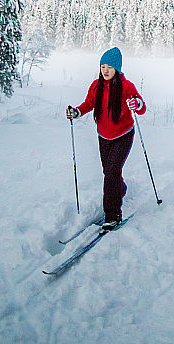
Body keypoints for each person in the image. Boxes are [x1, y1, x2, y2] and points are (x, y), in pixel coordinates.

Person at [66, 47, 146, 231]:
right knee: (109, 173)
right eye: (103, 66)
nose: (105, 70)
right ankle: (120, 189)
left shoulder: (127, 87)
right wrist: (76, 112)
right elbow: (88, 104)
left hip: (123, 135)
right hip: (103, 136)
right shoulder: (96, 86)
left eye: (109, 66)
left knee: (111, 173)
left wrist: (137, 104)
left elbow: (141, 108)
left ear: (117, 68)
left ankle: (113, 216)